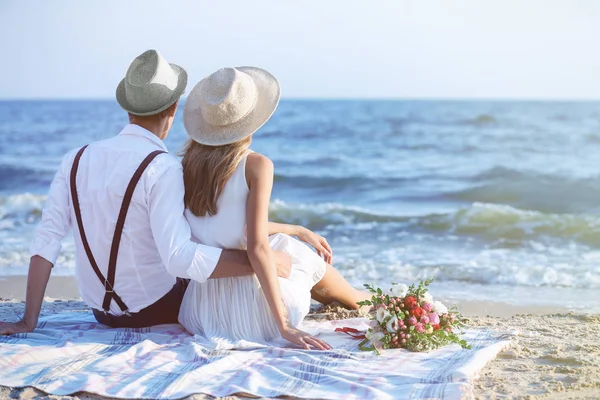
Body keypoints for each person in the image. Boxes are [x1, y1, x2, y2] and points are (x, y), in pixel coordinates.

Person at [0, 50, 294, 335]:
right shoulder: (163, 167)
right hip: (156, 308)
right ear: (172, 109)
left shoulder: (74, 159)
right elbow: (179, 258)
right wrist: (260, 262)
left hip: (99, 312)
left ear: (128, 108)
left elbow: (47, 239)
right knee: (263, 256)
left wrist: (28, 320)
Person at [178, 67, 370, 349]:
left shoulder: (185, 164)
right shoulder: (256, 164)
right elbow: (256, 248)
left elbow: (231, 228)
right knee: (290, 250)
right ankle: (362, 299)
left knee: (283, 240)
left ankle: (358, 297)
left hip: (201, 313)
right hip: (254, 319)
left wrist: (297, 229)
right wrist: (284, 326)